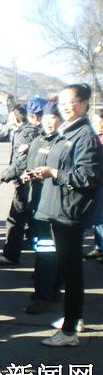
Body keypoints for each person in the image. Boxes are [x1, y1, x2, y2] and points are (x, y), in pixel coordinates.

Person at [30, 84, 101, 346]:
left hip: (69, 212)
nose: (66, 107)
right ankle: (75, 319)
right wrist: (43, 171)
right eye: (62, 103)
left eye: (71, 102)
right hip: (58, 209)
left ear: (83, 103)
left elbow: (88, 176)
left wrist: (53, 173)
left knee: (71, 273)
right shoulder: (68, 131)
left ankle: (69, 331)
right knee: (69, 271)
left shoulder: (84, 135)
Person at [19, 101, 63, 315]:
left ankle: (45, 295)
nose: (49, 123)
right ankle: (49, 289)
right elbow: (27, 164)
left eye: (53, 118)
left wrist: (50, 173)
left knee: (50, 251)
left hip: (57, 206)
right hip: (38, 205)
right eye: (46, 119)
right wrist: (26, 174)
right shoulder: (38, 140)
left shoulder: (65, 142)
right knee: (43, 250)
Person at [0, 99, 46, 265]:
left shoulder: (27, 133)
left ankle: (11, 255)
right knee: (34, 220)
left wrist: (3, 176)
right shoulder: (39, 131)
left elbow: (21, 161)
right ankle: (41, 261)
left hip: (27, 182)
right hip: (37, 182)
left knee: (15, 218)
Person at [83, 108, 103, 261]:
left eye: (97, 121)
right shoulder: (96, 136)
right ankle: (99, 247)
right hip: (97, 180)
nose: (94, 124)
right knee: (98, 216)